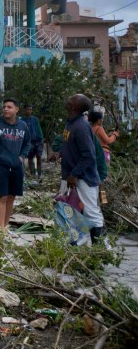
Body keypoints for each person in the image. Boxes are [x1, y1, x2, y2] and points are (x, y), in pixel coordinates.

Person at [60, 94, 105, 243]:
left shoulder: (81, 126)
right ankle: (76, 246)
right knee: (71, 211)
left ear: (75, 107)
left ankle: (99, 251)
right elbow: (73, 147)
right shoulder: (71, 123)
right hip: (72, 176)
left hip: (84, 177)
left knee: (92, 213)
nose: (68, 100)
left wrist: (74, 174)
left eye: (71, 99)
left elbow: (88, 155)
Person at [0, 98, 30, 232]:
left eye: (9, 107)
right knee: (2, 196)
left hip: (16, 166)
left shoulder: (23, 126)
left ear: (16, 109)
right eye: (4, 107)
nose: (5, 109)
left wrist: (22, 157)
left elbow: (27, 143)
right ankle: (1, 228)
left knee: (11, 197)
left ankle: (6, 225)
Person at [21, 104, 44, 177]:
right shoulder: (22, 120)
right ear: (24, 110)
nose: (29, 111)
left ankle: (39, 174)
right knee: (30, 157)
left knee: (39, 156)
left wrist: (41, 138)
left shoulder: (35, 119)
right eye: (28, 109)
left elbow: (39, 129)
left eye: (30, 109)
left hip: (37, 140)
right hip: (29, 142)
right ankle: (33, 174)